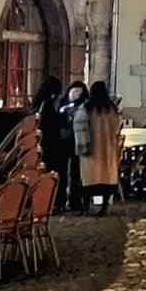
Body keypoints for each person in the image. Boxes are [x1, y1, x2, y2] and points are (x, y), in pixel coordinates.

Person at [74, 81, 122, 215]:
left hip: (91, 151)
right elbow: (117, 127)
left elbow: (79, 126)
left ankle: (85, 208)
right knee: (106, 179)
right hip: (107, 149)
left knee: (89, 179)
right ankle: (104, 208)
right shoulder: (112, 109)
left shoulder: (86, 109)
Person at [56, 80, 88, 212]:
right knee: (61, 173)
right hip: (62, 143)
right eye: (74, 92)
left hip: (77, 142)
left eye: (79, 93)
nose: (76, 96)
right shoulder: (61, 105)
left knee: (76, 174)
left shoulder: (83, 107)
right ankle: (60, 201)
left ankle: (75, 201)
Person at [32, 75, 63, 188]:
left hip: (40, 144)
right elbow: (52, 125)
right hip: (49, 145)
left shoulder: (39, 103)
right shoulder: (48, 106)